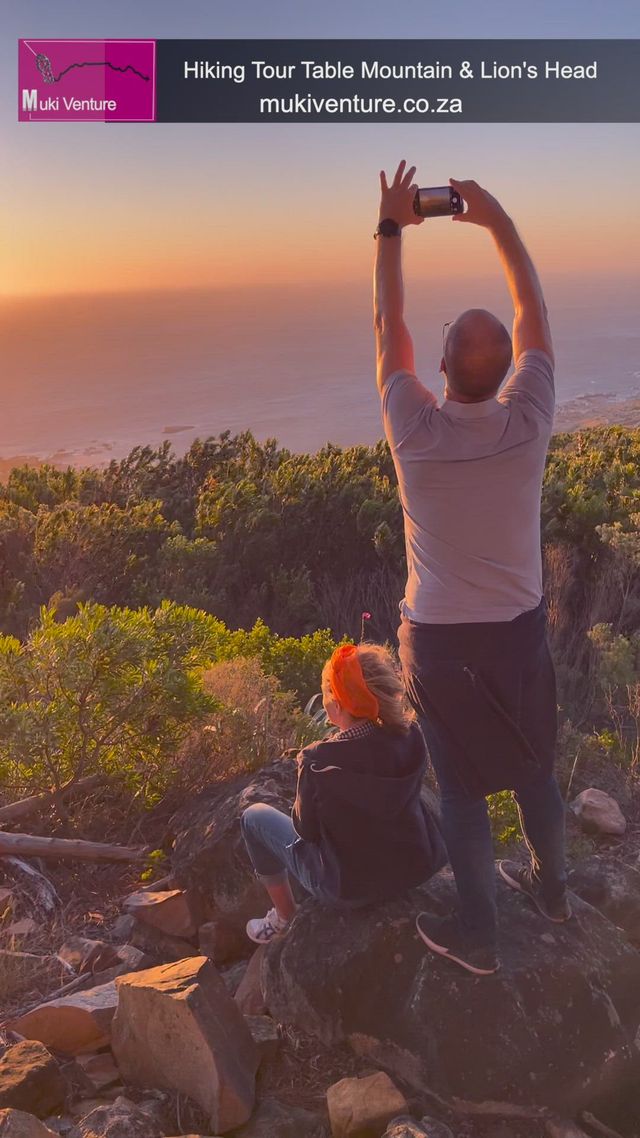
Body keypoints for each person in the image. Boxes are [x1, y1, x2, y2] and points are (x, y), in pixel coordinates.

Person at [373, 160, 570, 977]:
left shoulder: (413, 428)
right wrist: (496, 222)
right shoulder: (528, 420)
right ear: (507, 373)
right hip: (519, 636)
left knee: (460, 789)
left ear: (443, 373)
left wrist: (390, 229)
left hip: (442, 644)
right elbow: (533, 314)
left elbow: (390, 330)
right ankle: (555, 891)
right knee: (533, 768)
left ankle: (479, 932)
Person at [241, 641, 446, 944]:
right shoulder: (410, 737)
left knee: (253, 817)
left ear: (337, 704)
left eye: (327, 691)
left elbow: (305, 831)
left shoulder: (319, 761)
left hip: (349, 887)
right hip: (415, 866)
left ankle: (285, 915)